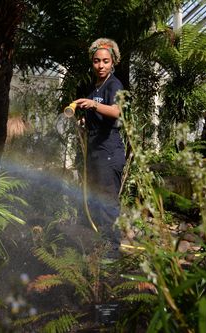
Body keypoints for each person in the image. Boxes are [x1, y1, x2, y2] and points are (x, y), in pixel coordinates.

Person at [73, 38, 125, 257]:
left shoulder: (114, 84)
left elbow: (116, 111)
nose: (101, 65)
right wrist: (86, 120)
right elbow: (97, 114)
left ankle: (112, 251)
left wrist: (93, 104)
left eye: (105, 61)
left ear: (112, 62)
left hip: (109, 150)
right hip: (95, 149)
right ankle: (99, 245)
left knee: (107, 200)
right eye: (96, 61)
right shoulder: (94, 86)